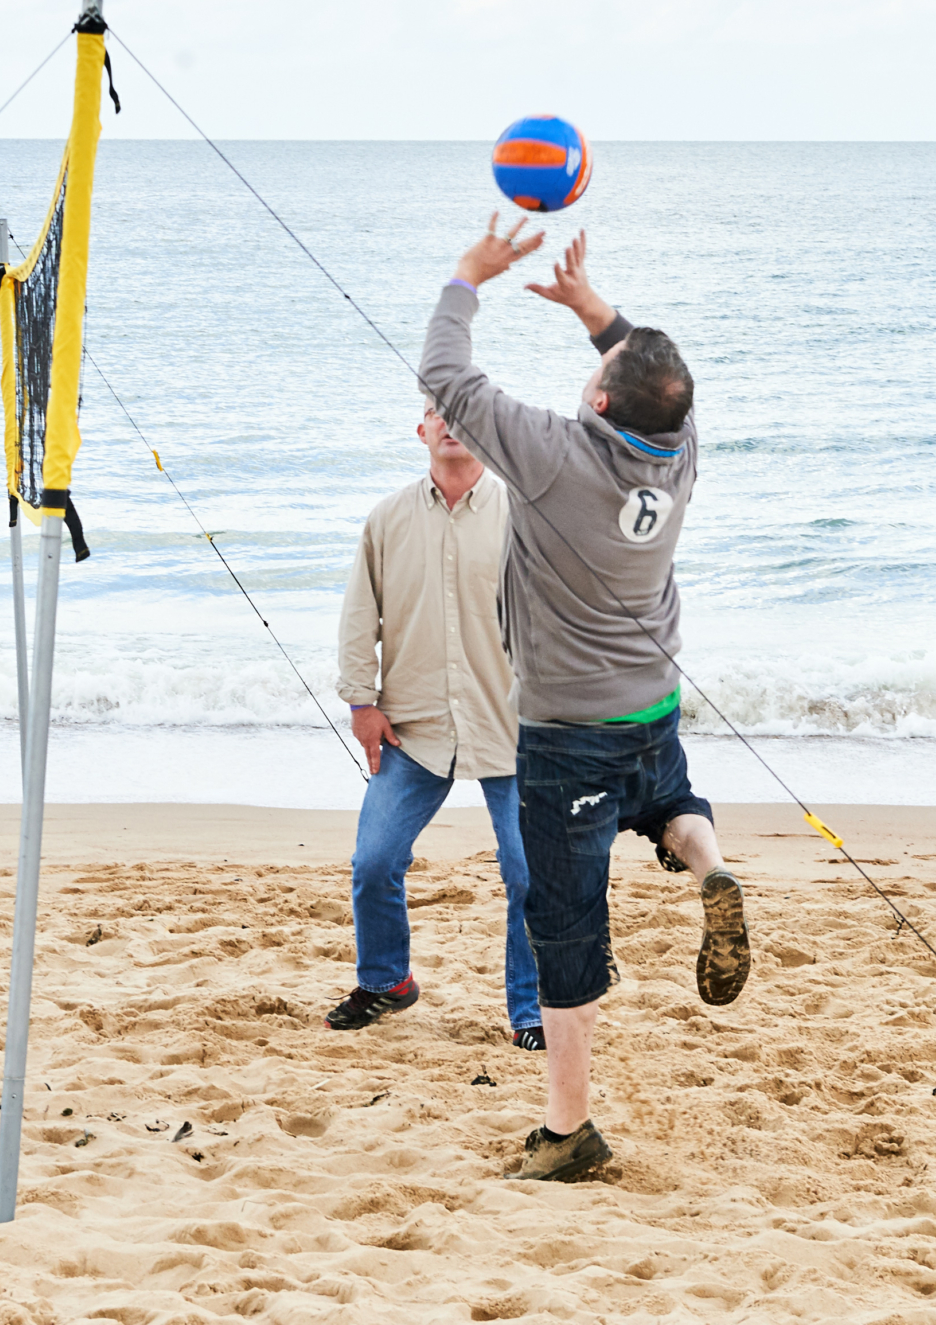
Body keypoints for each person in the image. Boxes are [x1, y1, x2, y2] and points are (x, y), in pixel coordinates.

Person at [418, 219, 748, 1185]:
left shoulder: (559, 456)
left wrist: (469, 276)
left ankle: (568, 1130)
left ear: (600, 399)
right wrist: (594, 309)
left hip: (567, 735)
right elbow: (658, 379)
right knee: (666, 805)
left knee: (564, 929)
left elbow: (446, 375)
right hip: (652, 708)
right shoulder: (675, 455)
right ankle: (711, 867)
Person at [328, 404, 542, 1051]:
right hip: (412, 727)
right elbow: (359, 617)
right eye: (437, 413)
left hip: (512, 726)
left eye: (466, 413)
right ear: (420, 430)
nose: (451, 422)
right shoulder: (387, 519)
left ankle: (532, 1012)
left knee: (529, 870)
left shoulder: (524, 516)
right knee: (374, 861)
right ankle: (387, 982)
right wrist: (362, 703)